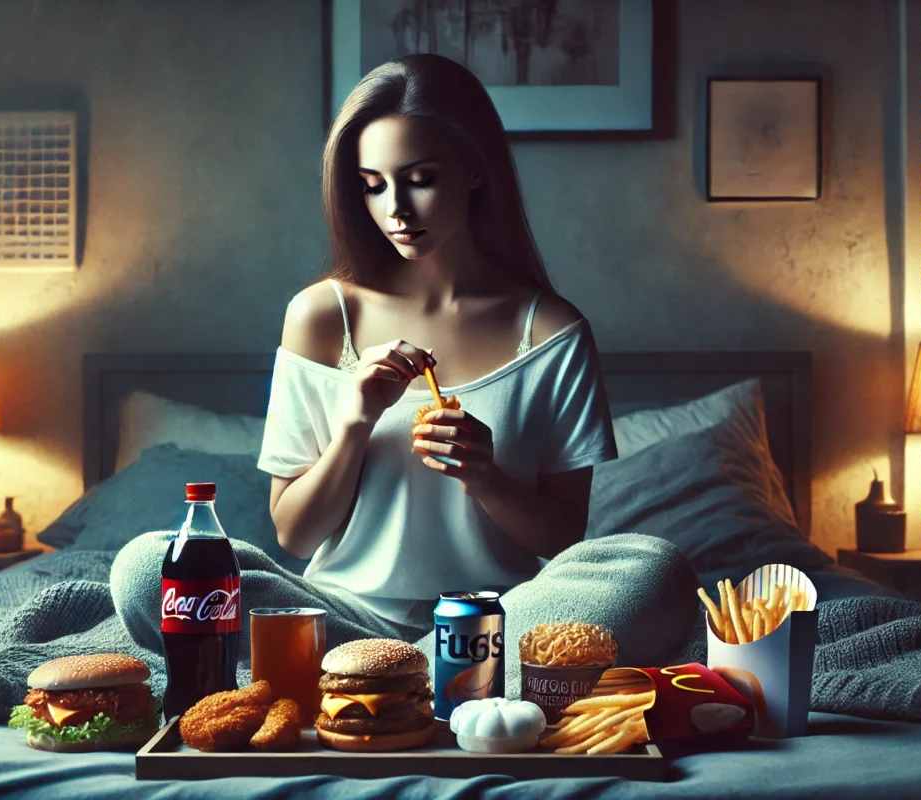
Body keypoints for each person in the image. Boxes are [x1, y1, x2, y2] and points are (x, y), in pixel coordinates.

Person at [110, 54, 698, 672]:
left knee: (654, 572)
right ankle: (445, 681)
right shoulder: (321, 316)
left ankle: (391, 677)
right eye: (372, 185)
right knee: (148, 567)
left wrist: (485, 475)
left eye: (420, 178)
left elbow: (561, 539)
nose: (396, 208)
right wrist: (355, 425)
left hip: (497, 617)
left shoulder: (551, 332)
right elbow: (295, 536)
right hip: (345, 617)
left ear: (475, 169)